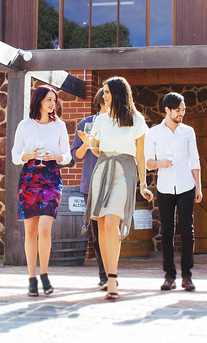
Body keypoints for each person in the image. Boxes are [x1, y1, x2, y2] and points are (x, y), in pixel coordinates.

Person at [78, 76, 153, 301]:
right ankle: (109, 277)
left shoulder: (137, 121)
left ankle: (112, 277)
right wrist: (90, 142)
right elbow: (99, 151)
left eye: (108, 92)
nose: (104, 96)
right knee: (101, 226)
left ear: (119, 94)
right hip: (101, 171)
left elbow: (140, 155)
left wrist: (143, 183)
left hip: (124, 172)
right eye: (104, 92)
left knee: (112, 222)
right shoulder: (101, 120)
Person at [11, 85, 71, 297]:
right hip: (29, 179)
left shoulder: (59, 126)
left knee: (45, 229)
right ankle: (31, 278)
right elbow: (15, 156)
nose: (52, 103)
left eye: (54, 100)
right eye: (48, 99)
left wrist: (55, 156)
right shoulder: (24, 126)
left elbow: (67, 156)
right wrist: (28, 155)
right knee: (30, 231)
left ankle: (44, 273)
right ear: (38, 101)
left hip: (51, 178)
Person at [145, 92, 202, 292]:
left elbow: (194, 160)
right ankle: (169, 276)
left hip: (186, 186)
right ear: (167, 110)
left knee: (187, 230)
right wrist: (160, 163)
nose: (181, 113)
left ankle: (187, 276)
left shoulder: (188, 132)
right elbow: (148, 161)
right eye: (178, 110)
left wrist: (198, 187)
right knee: (167, 232)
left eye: (183, 109)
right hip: (165, 188)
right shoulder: (153, 133)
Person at [70, 87, 108, 290]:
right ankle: (104, 275)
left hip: (113, 182)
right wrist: (87, 143)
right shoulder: (86, 123)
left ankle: (112, 271)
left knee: (110, 229)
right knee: (96, 231)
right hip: (91, 185)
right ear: (102, 100)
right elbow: (76, 155)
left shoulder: (118, 123)